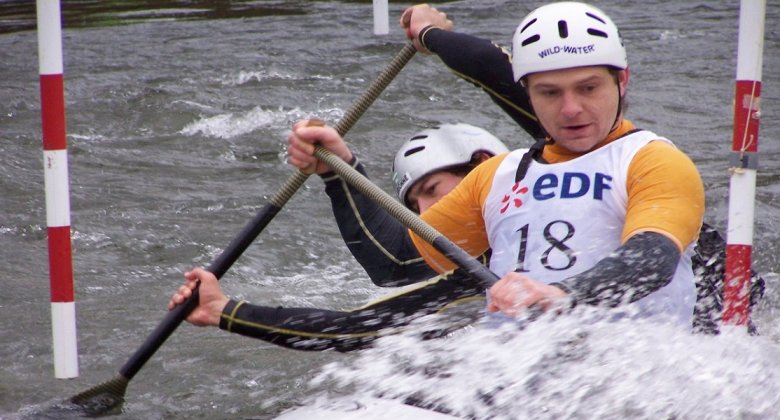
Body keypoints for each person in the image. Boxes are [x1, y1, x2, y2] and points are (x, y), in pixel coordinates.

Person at [292, 1, 706, 328]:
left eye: (589, 87)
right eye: (548, 93)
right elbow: (397, 261)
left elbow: (651, 258)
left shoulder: (654, 161)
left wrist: (560, 294)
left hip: (624, 380)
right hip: (518, 376)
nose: (571, 109)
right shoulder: (499, 174)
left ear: (622, 80)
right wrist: (339, 169)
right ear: (527, 92)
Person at [168, 124, 507, 351]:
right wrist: (225, 311)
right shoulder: (478, 267)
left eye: (432, 191)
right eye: (416, 207)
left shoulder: (505, 253)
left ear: (482, 165)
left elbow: (391, 270)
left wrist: (434, 37)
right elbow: (360, 323)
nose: (426, 215)